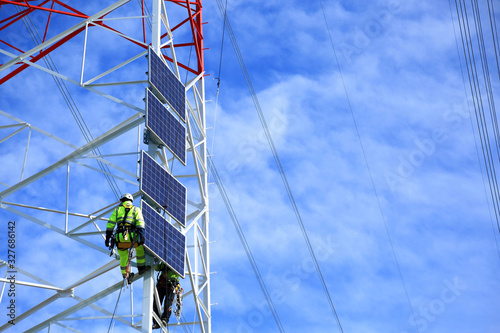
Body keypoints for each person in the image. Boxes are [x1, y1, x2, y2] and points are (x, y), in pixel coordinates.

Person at [105, 193, 149, 279]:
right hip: (132, 237)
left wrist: (107, 239)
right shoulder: (136, 209)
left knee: (123, 256)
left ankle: (126, 276)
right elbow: (140, 223)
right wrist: (142, 236)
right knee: (140, 250)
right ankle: (141, 268)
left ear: (122, 200)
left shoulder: (117, 210)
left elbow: (110, 224)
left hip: (120, 238)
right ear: (131, 201)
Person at [152, 262, 180, 329]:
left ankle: (165, 319)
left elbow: (178, 270)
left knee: (168, 302)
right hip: (162, 283)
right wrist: (157, 262)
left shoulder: (178, 262)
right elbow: (157, 268)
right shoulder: (164, 261)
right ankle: (156, 322)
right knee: (156, 303)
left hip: (171, 284)